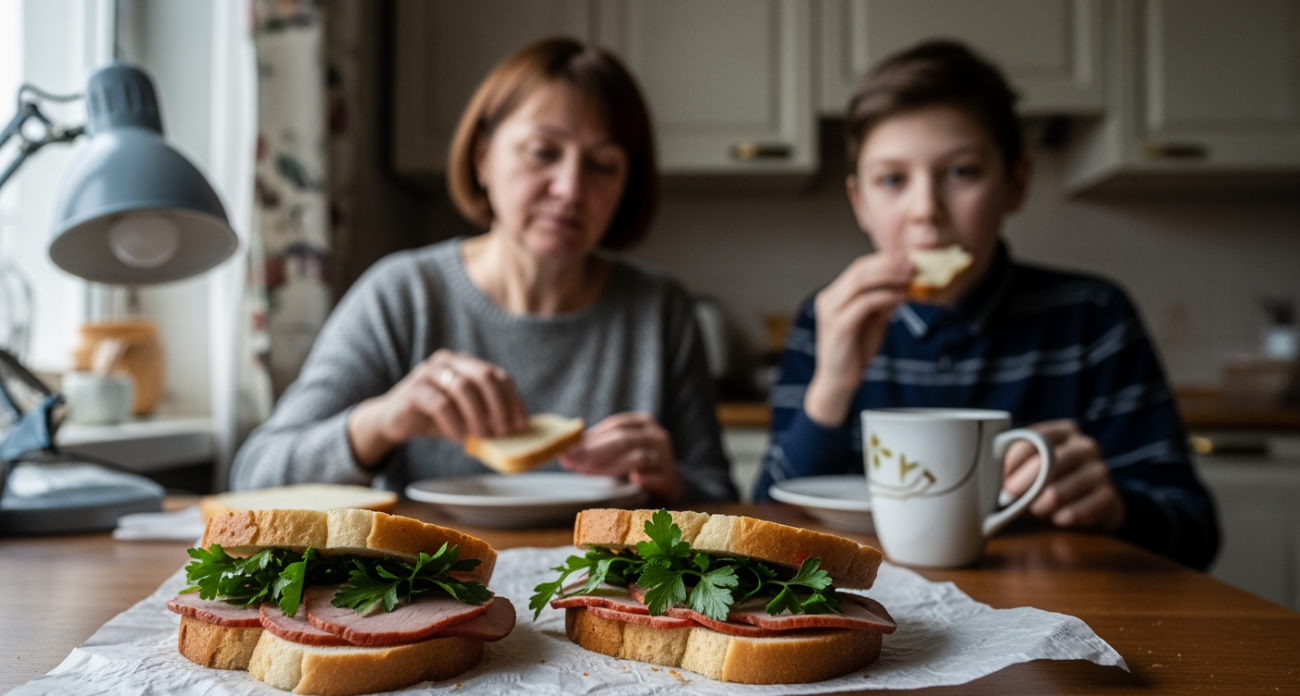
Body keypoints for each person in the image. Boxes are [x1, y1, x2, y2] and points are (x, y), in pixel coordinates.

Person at [753, 40, 1218, 569]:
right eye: (892, 180)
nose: (926, 211)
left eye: (961, 172)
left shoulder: (1093, 317)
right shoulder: (825, 320)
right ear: (860, 202)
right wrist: (832, 386)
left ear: (1015, 184)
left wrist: (1114, 507)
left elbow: (1196, 531)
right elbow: (764, 521)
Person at [231, 37, 737, 504]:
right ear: (483, 158)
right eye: (543, 152)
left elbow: (720, 495)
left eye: (602, 165)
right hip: (429, 587)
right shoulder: (402, 294)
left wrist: (670, 480)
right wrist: (382, 422)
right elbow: (255, 476)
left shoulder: (660, 308)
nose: (570, 189)